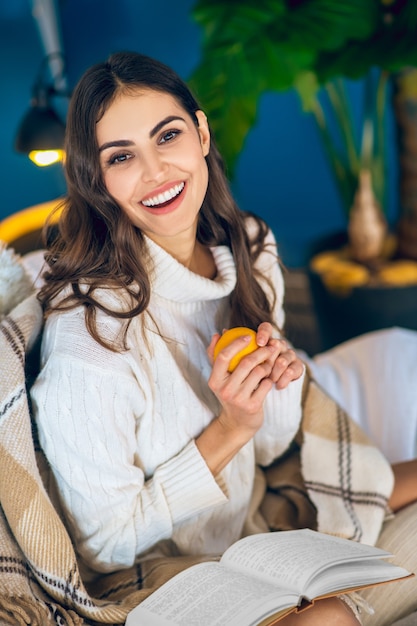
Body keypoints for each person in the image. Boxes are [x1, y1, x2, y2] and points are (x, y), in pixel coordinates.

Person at [30, 51, 417, 625]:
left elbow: (268, 447)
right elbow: (102, 546)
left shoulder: (252, 249)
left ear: (202, 133)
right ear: (98, 180)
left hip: (252, 525)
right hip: (150, 575)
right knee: (330, 618)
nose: (157, 171)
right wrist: (228, 429)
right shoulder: (91, 345)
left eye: (168, 135)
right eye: (122, 157)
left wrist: (269, 392)